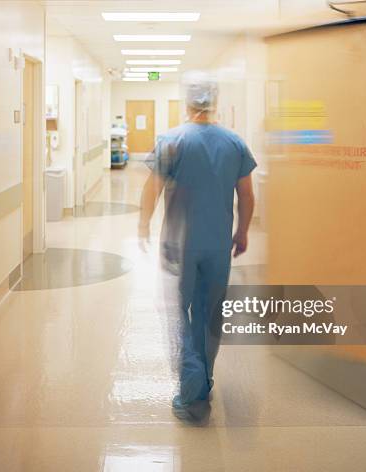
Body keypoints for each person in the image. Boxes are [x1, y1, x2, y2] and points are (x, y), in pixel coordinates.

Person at [138, 72, 257, 422]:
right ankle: (204, 378)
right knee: (210, 314)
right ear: (214, 101)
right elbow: (247, 196)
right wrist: (243, 232)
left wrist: (143, 224)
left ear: (187, 102)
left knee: (179, 313)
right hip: (217, 243)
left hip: (179, 246)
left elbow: (152, 188)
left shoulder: (172, 140)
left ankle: (190, 389)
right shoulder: (235, 143)